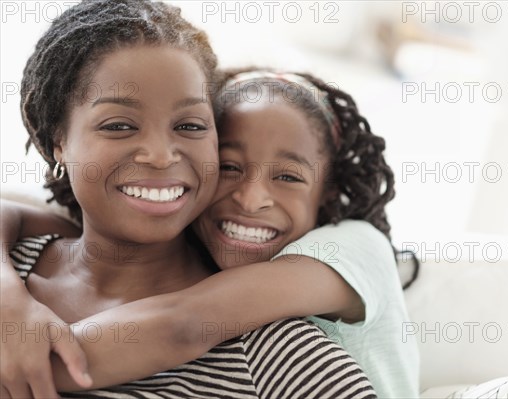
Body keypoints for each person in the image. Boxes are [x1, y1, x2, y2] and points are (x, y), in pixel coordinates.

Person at [0, 1, 378, 398]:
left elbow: (183, 326)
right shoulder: (15, 263)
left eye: (189, 125)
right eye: (119, 125)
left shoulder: (276, 354)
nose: (161, 155)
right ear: (58, 141)